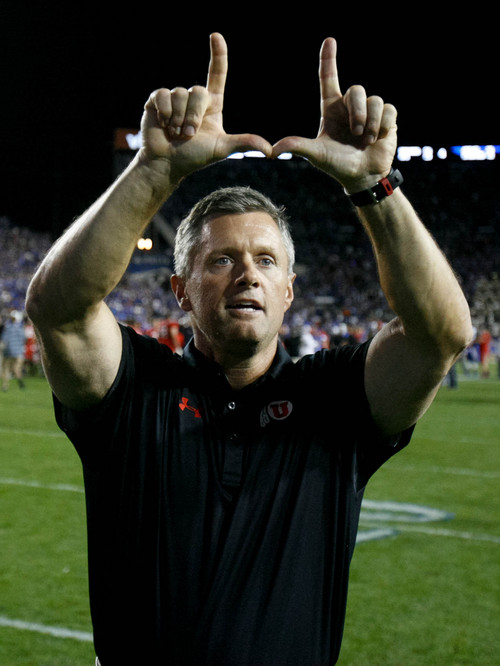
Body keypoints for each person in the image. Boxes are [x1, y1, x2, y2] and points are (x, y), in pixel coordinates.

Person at [26, 33, 473, 666]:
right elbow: (58, 311)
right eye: (222, 261)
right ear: (179, 289)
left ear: (289, 292)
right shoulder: (132, 390)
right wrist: (153, 171)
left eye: (266, 261)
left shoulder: (333, 400)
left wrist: (374, 183)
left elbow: (440, 334)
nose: (247, 275)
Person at [1, 310, 26, 391]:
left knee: (6, 367)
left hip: (8, 351)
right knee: (17, 368)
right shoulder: (21, 328)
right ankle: (20, 382)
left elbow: (5, 339)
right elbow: (24, 338)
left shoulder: (8, 327)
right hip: (18, 351)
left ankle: (5, 385)